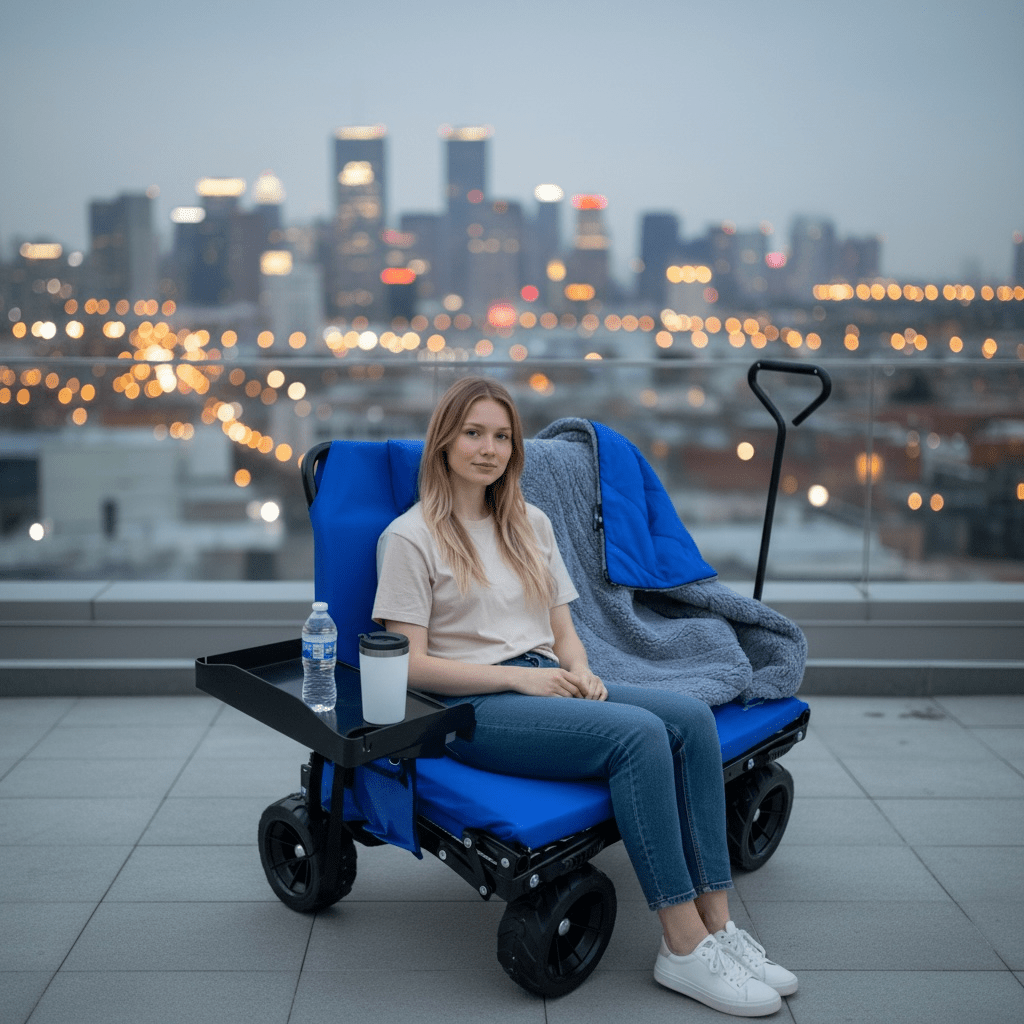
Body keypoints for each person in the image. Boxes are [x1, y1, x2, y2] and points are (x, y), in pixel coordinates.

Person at [372, 376, 797, 1017]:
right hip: (475, 708)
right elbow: (413, 668)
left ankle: (717, 921)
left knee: (690, 717)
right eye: (473, 433)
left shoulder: (529, 522)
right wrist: (521, 677)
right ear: (444, 442)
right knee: (639, 736)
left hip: (546, 680)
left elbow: (563, 628)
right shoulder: (410, 538)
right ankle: (681, 947)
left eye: (501, 436)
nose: (488, 448)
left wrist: (579, 670)